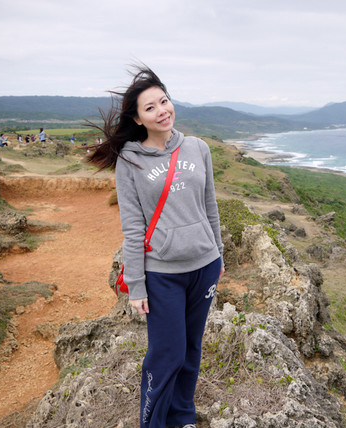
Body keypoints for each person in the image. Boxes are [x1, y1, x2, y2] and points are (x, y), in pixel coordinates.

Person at [86, 65, 224, 428]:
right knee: (167, 354)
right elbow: (132, 227)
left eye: (164, 101)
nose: (162, 110)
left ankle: (183, 417)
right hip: (162, 272)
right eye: (151, 107)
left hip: (204, 265)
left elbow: (210, 206)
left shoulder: (198, 148)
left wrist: (219, 254)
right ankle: (153, 422)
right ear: (138, 117)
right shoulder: (130, 161)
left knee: (191, 351)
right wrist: (136, 284)